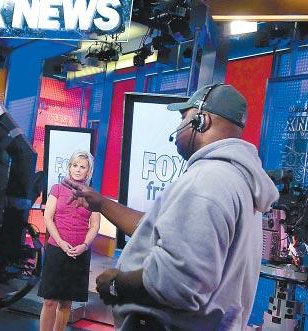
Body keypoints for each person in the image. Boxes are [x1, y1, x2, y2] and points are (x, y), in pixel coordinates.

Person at [63, 84, 280, 330]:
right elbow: (161, 230)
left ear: (202, 120)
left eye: (183, 118)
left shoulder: (206, 183)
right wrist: (101, 203)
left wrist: (117, 284)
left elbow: (177, 282)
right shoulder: (234, 180)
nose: (177, 128)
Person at [38, 151, 101, 331]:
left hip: (79, 252)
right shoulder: (57, 189)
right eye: (75, 165)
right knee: (50, 300)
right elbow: (48, 218)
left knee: (66, 303)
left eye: (82, 167)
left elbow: (94, 226)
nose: (78, 170)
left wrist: (84, 246)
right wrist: (61, 242)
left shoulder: (92, 195)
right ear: (69, 167)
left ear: (88, 171)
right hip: (57, 249)